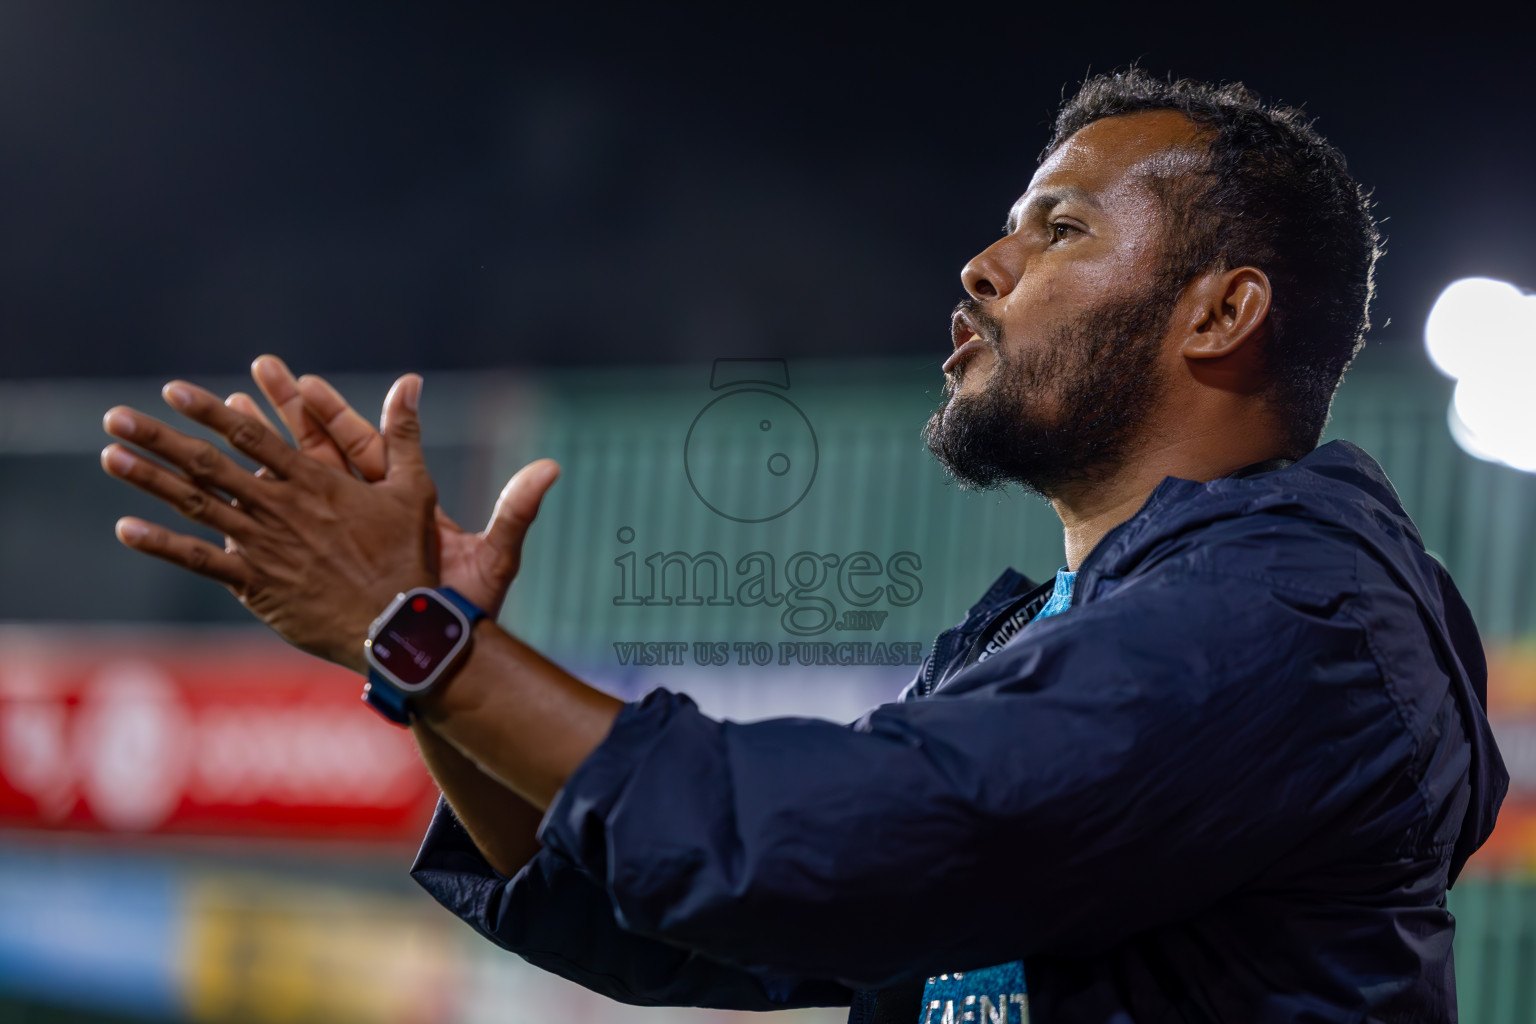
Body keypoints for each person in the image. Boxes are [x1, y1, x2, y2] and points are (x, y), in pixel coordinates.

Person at [100, 70, 1507, 1023]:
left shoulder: (1291, 623)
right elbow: (704, 920)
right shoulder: (1063, 622)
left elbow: (830, 841)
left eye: (1060, 227)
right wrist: (424, 654)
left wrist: (425, 643)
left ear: (1221, 314)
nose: (983, 265)